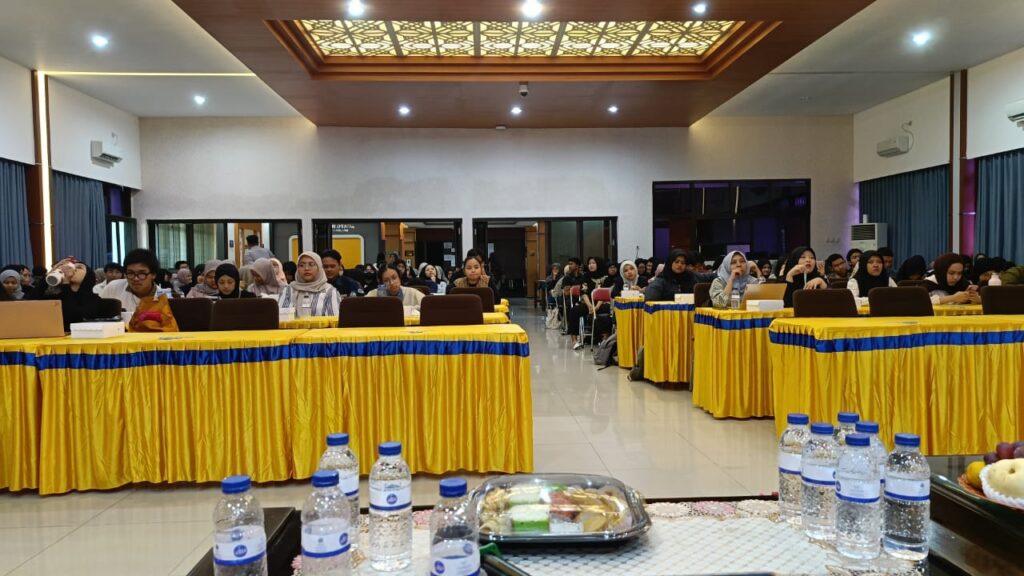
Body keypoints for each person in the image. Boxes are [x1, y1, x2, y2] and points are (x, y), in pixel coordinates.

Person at [28, 258, 101, 330]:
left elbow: (71, 317)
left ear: (88, 276)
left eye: (79, 267)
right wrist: (50, 275)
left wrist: (66, 282)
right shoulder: (55, 297)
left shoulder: (93, 300)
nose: (72, 269)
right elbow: (28, 303)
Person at [100, 248, 161, 318]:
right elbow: (98, 316)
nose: (136, 278)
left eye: (142, 273)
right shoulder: (113, 288)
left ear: (153, 275)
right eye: (131, 273)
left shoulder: (163, 298)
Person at [279, 251, 341, 317]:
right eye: (301, 265)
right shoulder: (289, 289)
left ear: (319, 268)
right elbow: (281, 316)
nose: (306, 268)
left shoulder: (329, 291)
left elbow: (333, 319)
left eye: (311, 265)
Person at [567, 256, 606, 350]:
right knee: (574, 311)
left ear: (598, 264)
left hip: (601, 303)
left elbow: (604, 293)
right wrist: (589, 306)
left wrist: (596, 307)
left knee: (607, 312)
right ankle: (574, 341)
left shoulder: (605, 277)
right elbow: (583, 293)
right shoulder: (585, 276)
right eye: (589, 263)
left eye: (593, 263)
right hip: (588, 302)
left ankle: (605, 339)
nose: (591, 265)